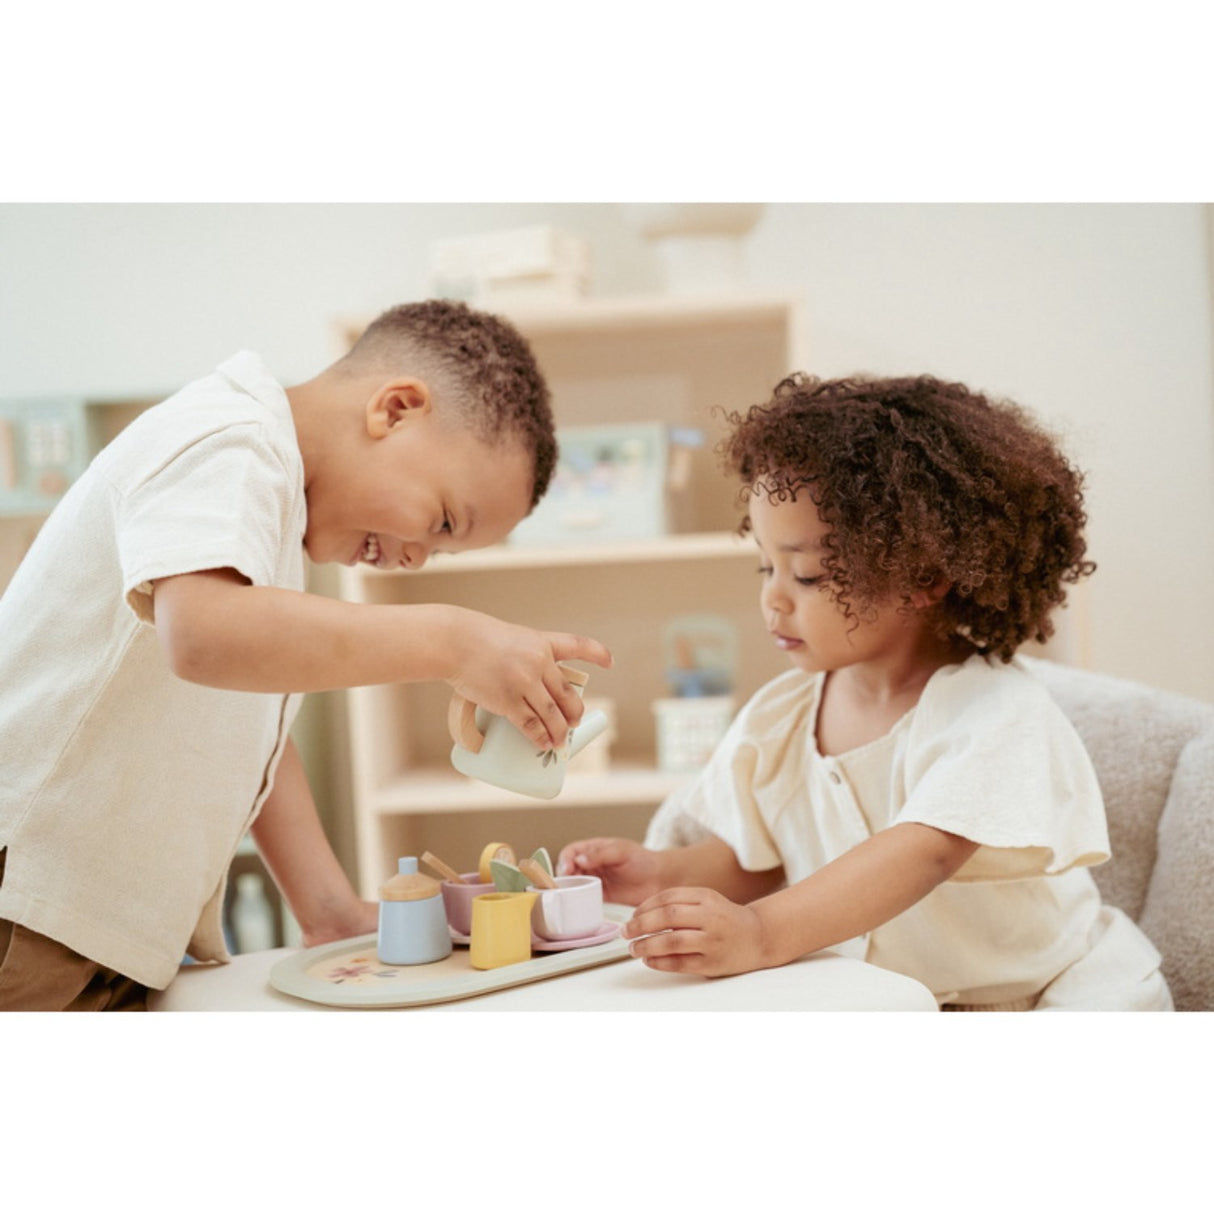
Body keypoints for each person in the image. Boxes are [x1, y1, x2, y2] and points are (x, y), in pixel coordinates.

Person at [0, 299, 611, 1010]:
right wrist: (453, 639)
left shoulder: (270, 518)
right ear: (395, 409)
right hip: (27, 908)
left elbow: (246, 723)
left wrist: (330, 911)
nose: (417, 560)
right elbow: (201, 637)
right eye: (441, 522)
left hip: (91, 931)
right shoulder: (230, 438)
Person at [559, 372, 1170, 1011]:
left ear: (924, 577)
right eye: (766, 566)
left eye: (808, 574)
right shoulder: (781, 719)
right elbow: (762, 860)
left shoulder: (991, 714)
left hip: (1043, 994)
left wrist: (763, 931)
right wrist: (659, 875)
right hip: (894, 999)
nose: (772, 596)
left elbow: (923, 855)